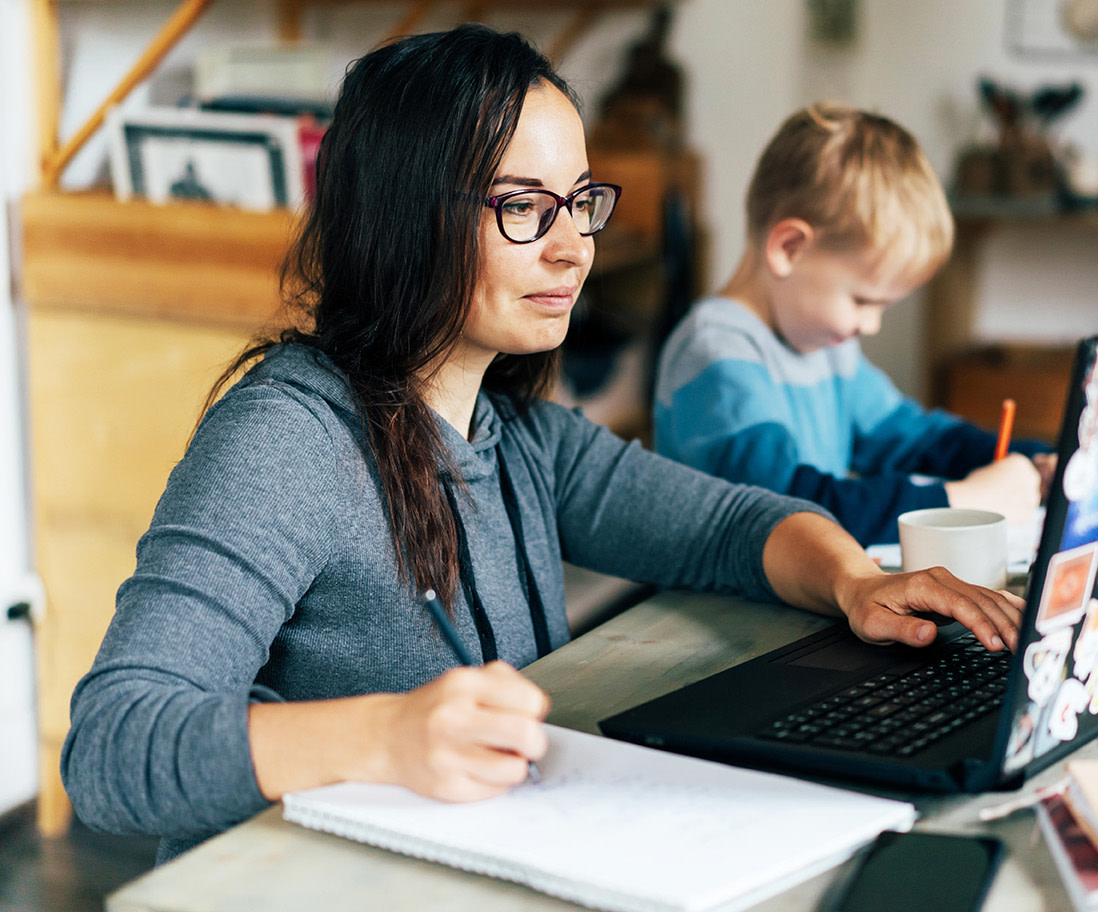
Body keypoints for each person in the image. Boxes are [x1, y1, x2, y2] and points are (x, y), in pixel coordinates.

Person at [60, 27, 1023, 864]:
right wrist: (386, 734)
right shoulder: (285, 442)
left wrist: (854, 581)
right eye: (525, 207)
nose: (573, 248)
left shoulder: (518, 436)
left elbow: (727, 525)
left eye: (578, 203)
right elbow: (110, 748)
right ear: (408, 216)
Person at [653, 103, 1056, 547]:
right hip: (712, 609)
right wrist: (959, 500)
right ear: (790, 248)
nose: (872, 325)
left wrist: (1033, 460)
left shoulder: (825, 345)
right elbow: (791, 509)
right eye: (863, 299)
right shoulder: (717, 354)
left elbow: (913, 438)